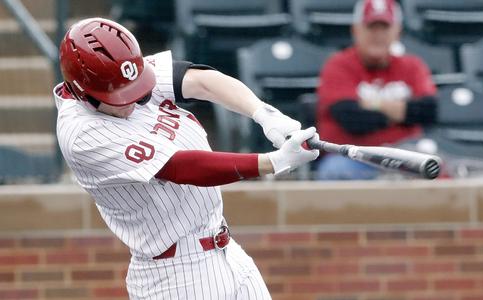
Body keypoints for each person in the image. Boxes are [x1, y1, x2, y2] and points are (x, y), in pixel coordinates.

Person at [54, 18, 319, 299]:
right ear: (82, 91)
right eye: (118, 95)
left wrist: (264, 114)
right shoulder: (81, 134)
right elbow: (183, 167)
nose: (131, 100)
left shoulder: (122, 73)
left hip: (227, 251)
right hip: (175, 276)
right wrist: (273, 162)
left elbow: (201, 82)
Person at [316, 0, 437, 180]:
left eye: (384, 28)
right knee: (335, 171)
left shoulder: (413, 66)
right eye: (371, 27)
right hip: (353, 158)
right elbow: (353, 120)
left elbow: (428, 111)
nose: (378, 35)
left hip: (404, 156)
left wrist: (369, 104)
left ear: (398, 31)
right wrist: (402, 113)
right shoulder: (338, 65)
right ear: (355, 30)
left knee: (437, 168)